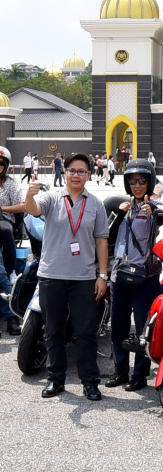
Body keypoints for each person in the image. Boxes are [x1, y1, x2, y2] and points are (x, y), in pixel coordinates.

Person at [24, 152, 109, 401]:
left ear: (89, 175)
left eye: (81, 171)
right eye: (72, 170)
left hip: (83, 278)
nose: (76, 175)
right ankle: (55, 379)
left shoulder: (95, 204)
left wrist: (102, 275)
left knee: (85, 331)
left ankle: (90, 382)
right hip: (51, 275)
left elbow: (102, 241)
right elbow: (33, 209)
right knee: (54, 330)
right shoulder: (52, 197)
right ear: (65, 171)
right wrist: (29, 194)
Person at [106, 159, 163, 391]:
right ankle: (120, 371)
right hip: (119, 276)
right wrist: (119, 215)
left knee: (142, 329)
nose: (137, 185)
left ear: (149, 182)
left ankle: (139, 375)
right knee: (118, 326)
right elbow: (108, 236)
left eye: (142, 181)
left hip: (144, 278)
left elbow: (160, 219)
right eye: (132, 181)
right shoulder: (123, 207)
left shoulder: (153, 207)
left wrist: (154, 211)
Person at [0, 147, 23, 333]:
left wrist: (2, 209)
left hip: (3, 222)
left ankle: (11, 270)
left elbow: (23, 205)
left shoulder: (10, 184)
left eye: (1, 163)